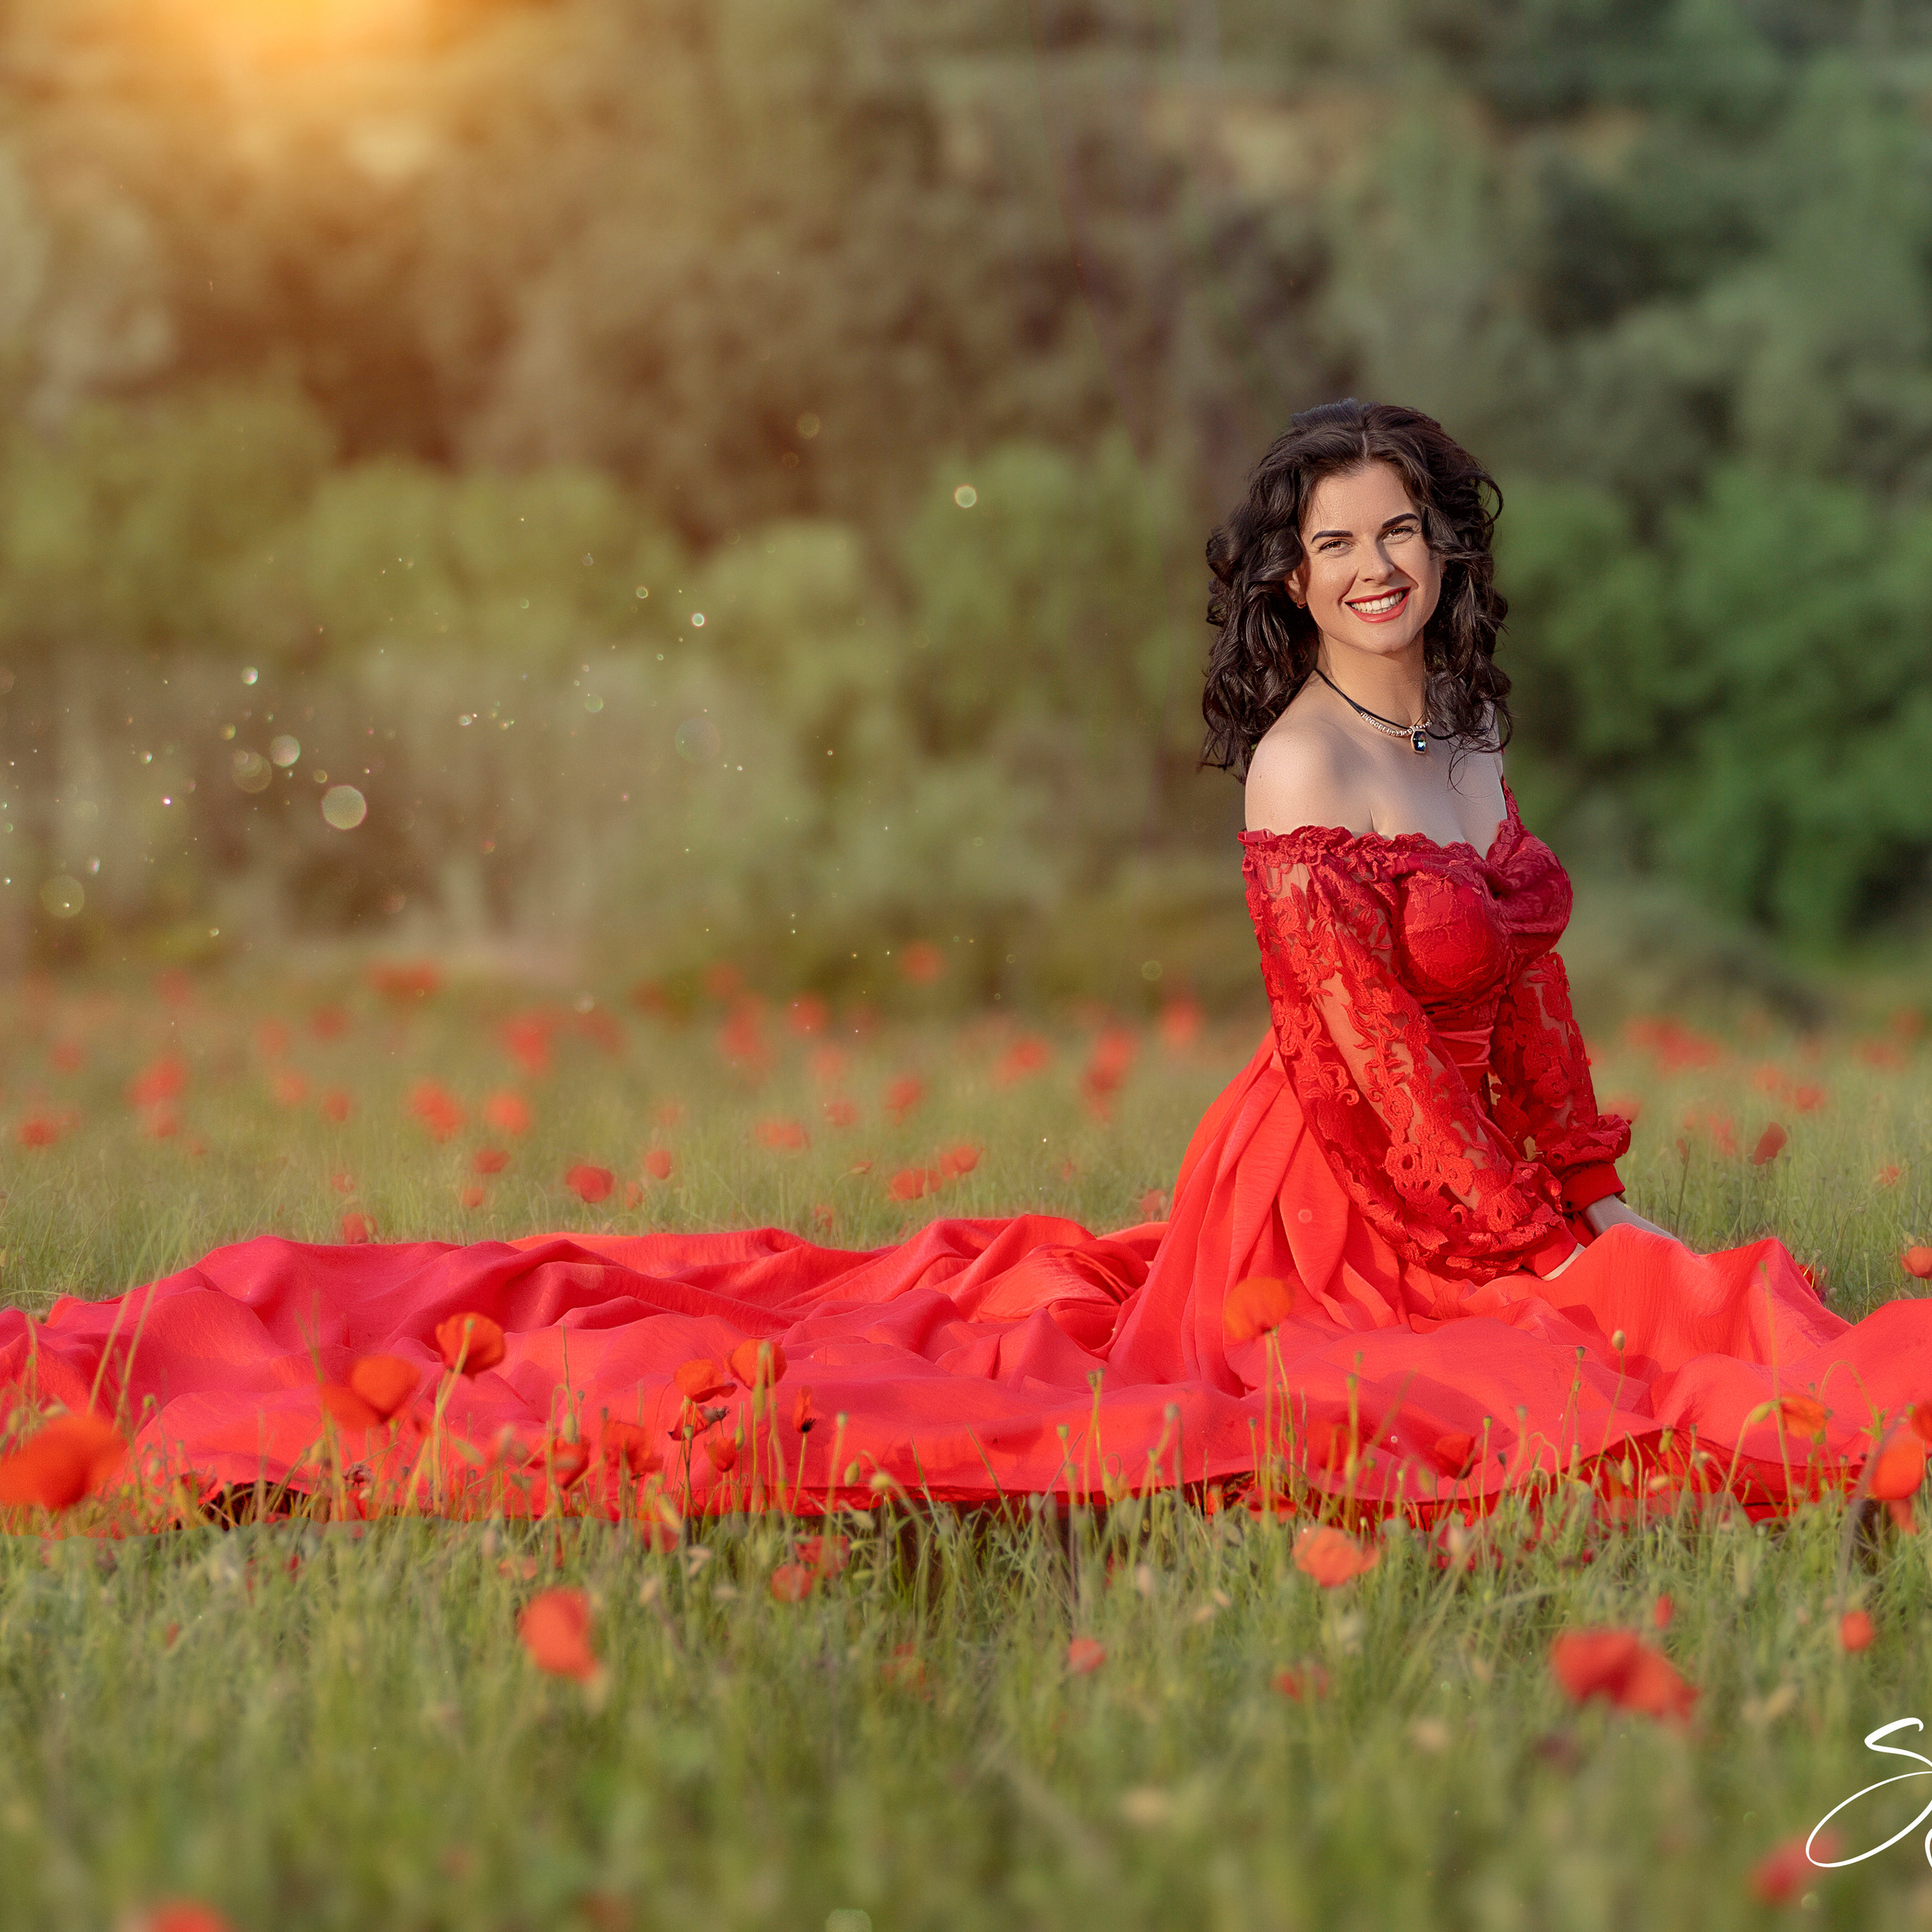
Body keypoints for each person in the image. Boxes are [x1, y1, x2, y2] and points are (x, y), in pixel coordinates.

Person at [1, 401, 1918, 1524]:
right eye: (1335, 542)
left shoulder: (1469, 727)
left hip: (1474, 1154)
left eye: (1398, 530)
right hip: (1340, 1180)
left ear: (1440, 547)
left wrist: (1584, 1181)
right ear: (1288, 576)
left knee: (1669, 1295)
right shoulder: (1302, 768)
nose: (1374, 565)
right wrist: (1524, 1243)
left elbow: (1523, 990)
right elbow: (1362, 1064)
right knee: (1582, 1354)